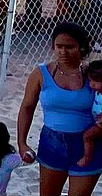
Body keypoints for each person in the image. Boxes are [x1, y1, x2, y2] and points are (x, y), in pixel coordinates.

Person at [18, 22, 102, 196]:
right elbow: (27, 107)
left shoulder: (93, 75)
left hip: (88, 144)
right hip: (53, 142)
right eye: (59, 46)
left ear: (82, 47)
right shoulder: (41, 73)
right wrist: (22, 142)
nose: (63, 52)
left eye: (70, 47)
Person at [79, 61, 102, 167]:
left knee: (87, 136)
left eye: (96, 81)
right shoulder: (97, 91)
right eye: (90, 80)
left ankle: (87, 157)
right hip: (96, 121)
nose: (91, 84)